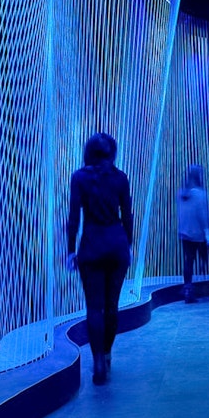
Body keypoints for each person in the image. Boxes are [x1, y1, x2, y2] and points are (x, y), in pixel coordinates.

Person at [66, 133, 133, 385]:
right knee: (112, 306)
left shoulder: (79, 178)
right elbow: (127, 214)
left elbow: (74, 218)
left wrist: (71, 250)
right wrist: (129, 243)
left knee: (94, 307)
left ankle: (97, 365)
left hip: (91, 248)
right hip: (117, 246)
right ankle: (106, 354)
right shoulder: (120, 178)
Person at [177, 163, 209, 304]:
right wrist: (207, 233)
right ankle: (204, 270)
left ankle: (187, 288)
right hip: (197, 234)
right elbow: (203, 215)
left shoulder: (181, 193)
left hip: (184, 233)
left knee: (188, 261)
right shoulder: (201, 194)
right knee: (203, 254)